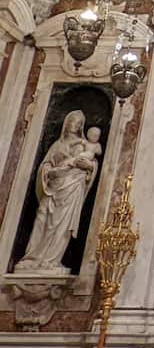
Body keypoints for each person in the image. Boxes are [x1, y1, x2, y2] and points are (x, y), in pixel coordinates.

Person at [15, 110, 100, 273]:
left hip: (72, 186)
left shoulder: (84, 144)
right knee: (41, 218)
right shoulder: (58, 144)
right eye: (71, 121)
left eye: (77, 122)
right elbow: (46, 164)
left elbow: (92, 163)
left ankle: (51, 261)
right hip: (53, 187)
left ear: (81, 126)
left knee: (63, 224)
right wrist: (49, 172)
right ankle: (32, 257)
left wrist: (89, 167)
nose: (73, 124)